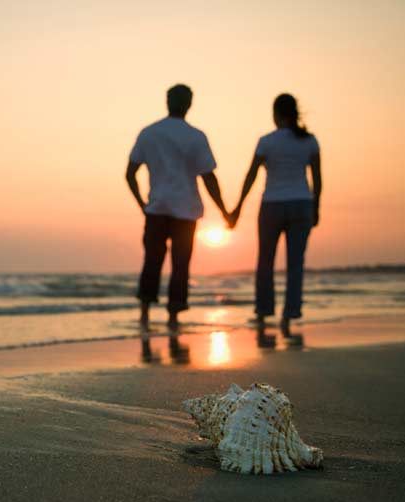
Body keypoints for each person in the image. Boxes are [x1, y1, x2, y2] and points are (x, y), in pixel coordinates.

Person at [126, 84, 231, 331]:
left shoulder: (149, 133)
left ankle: (145, 315)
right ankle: (173, 318)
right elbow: (209, 178)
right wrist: (225, 211)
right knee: (180, 264)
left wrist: (142, 202)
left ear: (167, 101)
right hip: (186, 210)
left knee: (152, 260)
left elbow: (129, 173)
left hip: (157, 208)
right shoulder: (196, 136)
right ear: (189, 104)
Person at [229, 93, 322, 336]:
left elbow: (251, 176)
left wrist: (238, 206)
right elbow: (318, 180)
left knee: (265, 262)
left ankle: (263, 311)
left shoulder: (266, 141)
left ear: (276, 114)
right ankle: (289, 314)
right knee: (295, 264)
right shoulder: (309, 141)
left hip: (272, 205)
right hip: (302, 203)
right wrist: (316, 207)